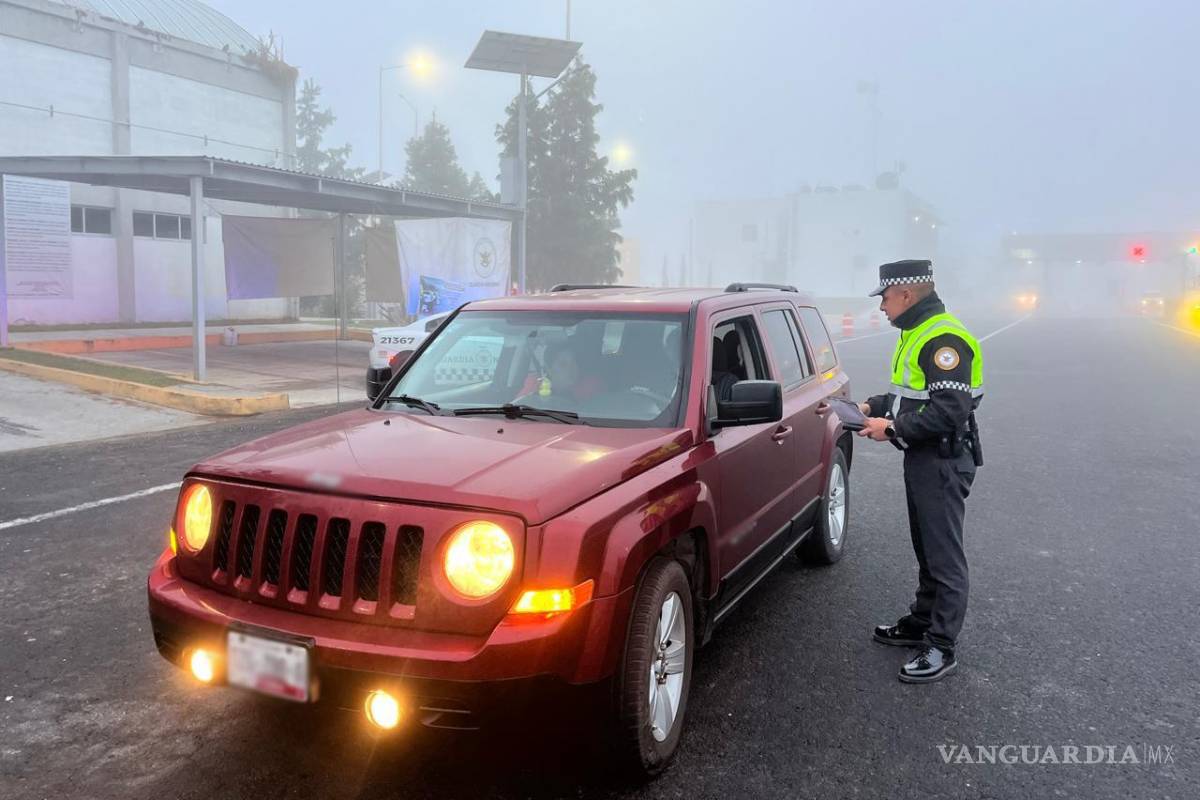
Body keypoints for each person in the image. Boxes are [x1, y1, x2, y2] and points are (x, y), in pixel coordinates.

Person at [833, 259, 984, 684]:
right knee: (926, 545)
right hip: (924, 456)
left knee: (944, 554)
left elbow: (950, 411)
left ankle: (941, 645)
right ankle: (921, 621)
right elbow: (913, 395)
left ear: (906, 294)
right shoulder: (917, 332)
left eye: (883, 297)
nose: (880, 305)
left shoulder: (943, 338)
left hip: (943, 457)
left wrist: (893, 428)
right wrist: (874, 408)